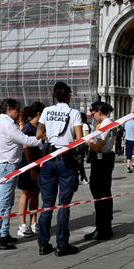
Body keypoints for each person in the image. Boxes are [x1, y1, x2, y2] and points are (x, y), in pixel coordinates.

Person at [0, 98, 42, 250]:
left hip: (0, 164)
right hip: (7, 165)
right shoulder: (8, 124)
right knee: (3, 202)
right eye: (17, 110)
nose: (18, 114)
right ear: (9, 109)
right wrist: (42, 139)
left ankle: (4, 233)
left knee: (8, 202)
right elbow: (25, 140)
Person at [36, 82, 83, 256]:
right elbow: (79, 139)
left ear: (54, 95)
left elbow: (38, 135)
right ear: (69, 95)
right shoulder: (74, 113)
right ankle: (62, 244)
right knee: (64, 204)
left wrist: (52, 133)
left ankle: (43, 244)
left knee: (47, 204)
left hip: (48, 159)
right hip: (66, 159)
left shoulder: (47, 111)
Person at [84, 101, 116, 241]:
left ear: (99, 111)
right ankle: (102, 227)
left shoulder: (106, 124)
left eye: (93, 112)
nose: (92, 115)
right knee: (103, 193)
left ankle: (103, 229)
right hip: (106, 158)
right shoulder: (110, 123)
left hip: (102, 160)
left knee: (100, 193)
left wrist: (88, 141)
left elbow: (98, 146)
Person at [17, 102, 45, 238]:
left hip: (39, 164)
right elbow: (26, 149)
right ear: (39, 113)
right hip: (28, 164)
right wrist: (31, 168)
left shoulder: (39, 128)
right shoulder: (27, 129)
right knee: (26, 193)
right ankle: (22, 224)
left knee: (35, 193)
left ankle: (34, 221)